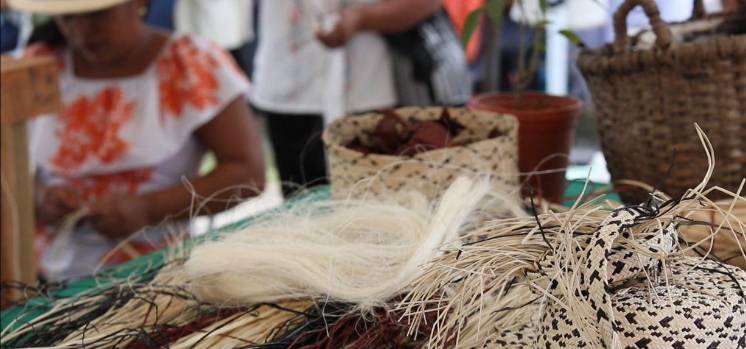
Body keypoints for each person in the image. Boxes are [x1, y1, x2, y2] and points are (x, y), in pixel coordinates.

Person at [9, 0, 266, 282]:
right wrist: (36, 197)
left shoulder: (190, 63)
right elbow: (6, 167)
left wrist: (149, 208)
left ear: (139, 3)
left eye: (97, 15)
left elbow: (247, 172)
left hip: (158, 276)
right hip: (44, 278)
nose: (81, 31)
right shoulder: (35, 68)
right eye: (67, 19)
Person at [251, 0, 444, 192]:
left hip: (369, 89)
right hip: (291, 90)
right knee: (301, 201)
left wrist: (361, 18)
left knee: (375, 200)